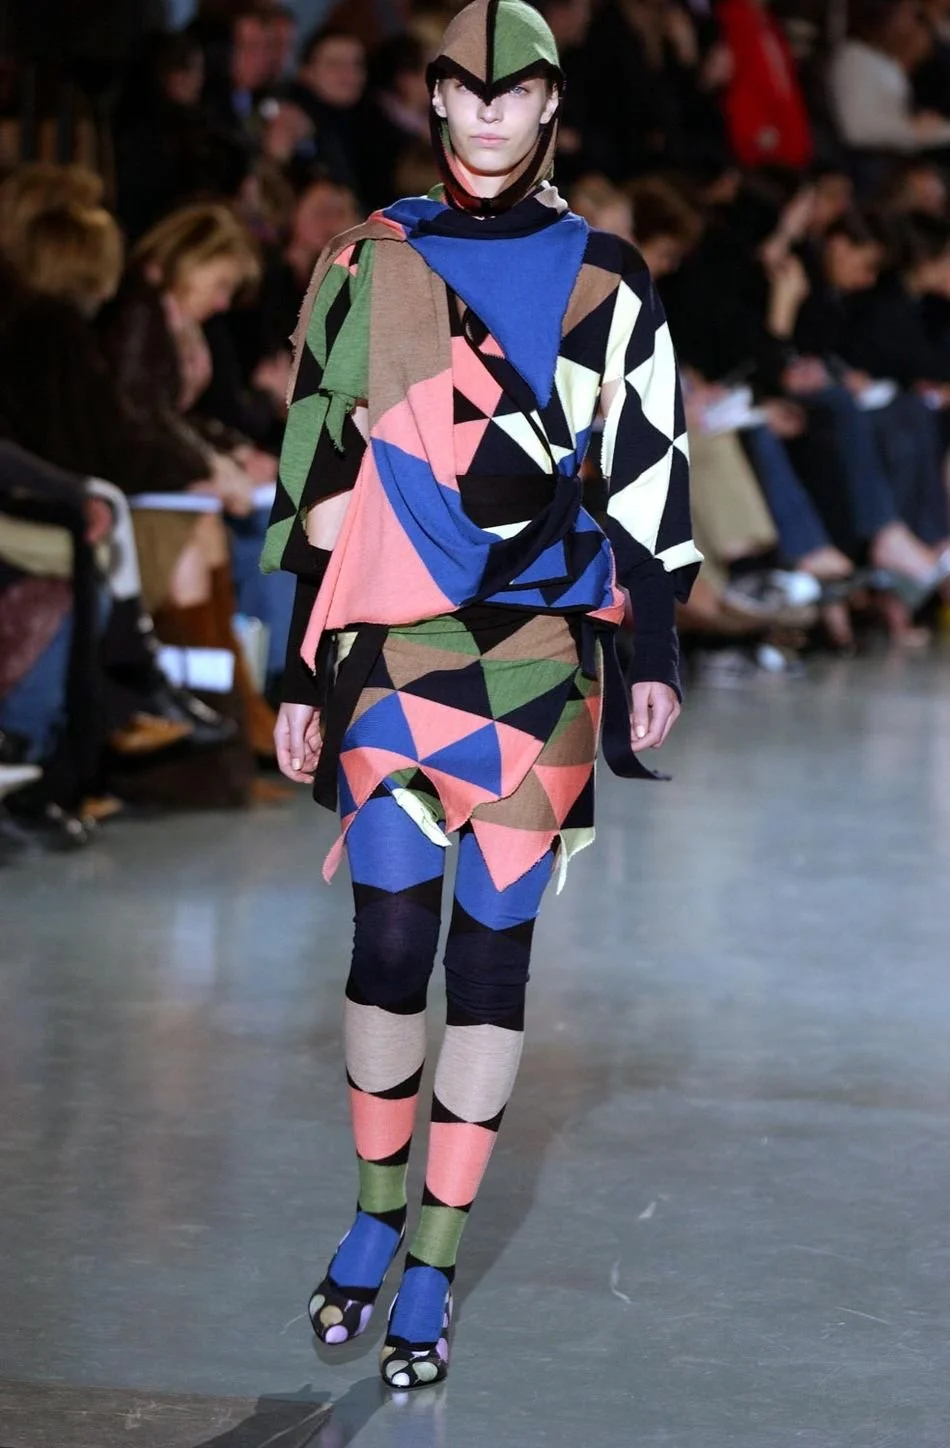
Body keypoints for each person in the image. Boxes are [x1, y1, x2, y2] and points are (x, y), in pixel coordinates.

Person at [266, 0, 700, 1390]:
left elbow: (648, 471)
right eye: (469, 89)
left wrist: (654, 653)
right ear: (437, 99)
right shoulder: (364, 261)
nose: (493, 112)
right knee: (390, 947)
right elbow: (315, 468)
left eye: (518, 92)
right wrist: (293, 669)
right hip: (388, 642)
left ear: (550, 105)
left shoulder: (607, 278)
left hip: (539, 651)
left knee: (492, 964)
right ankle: (370, 1212)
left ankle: (432, 1262)